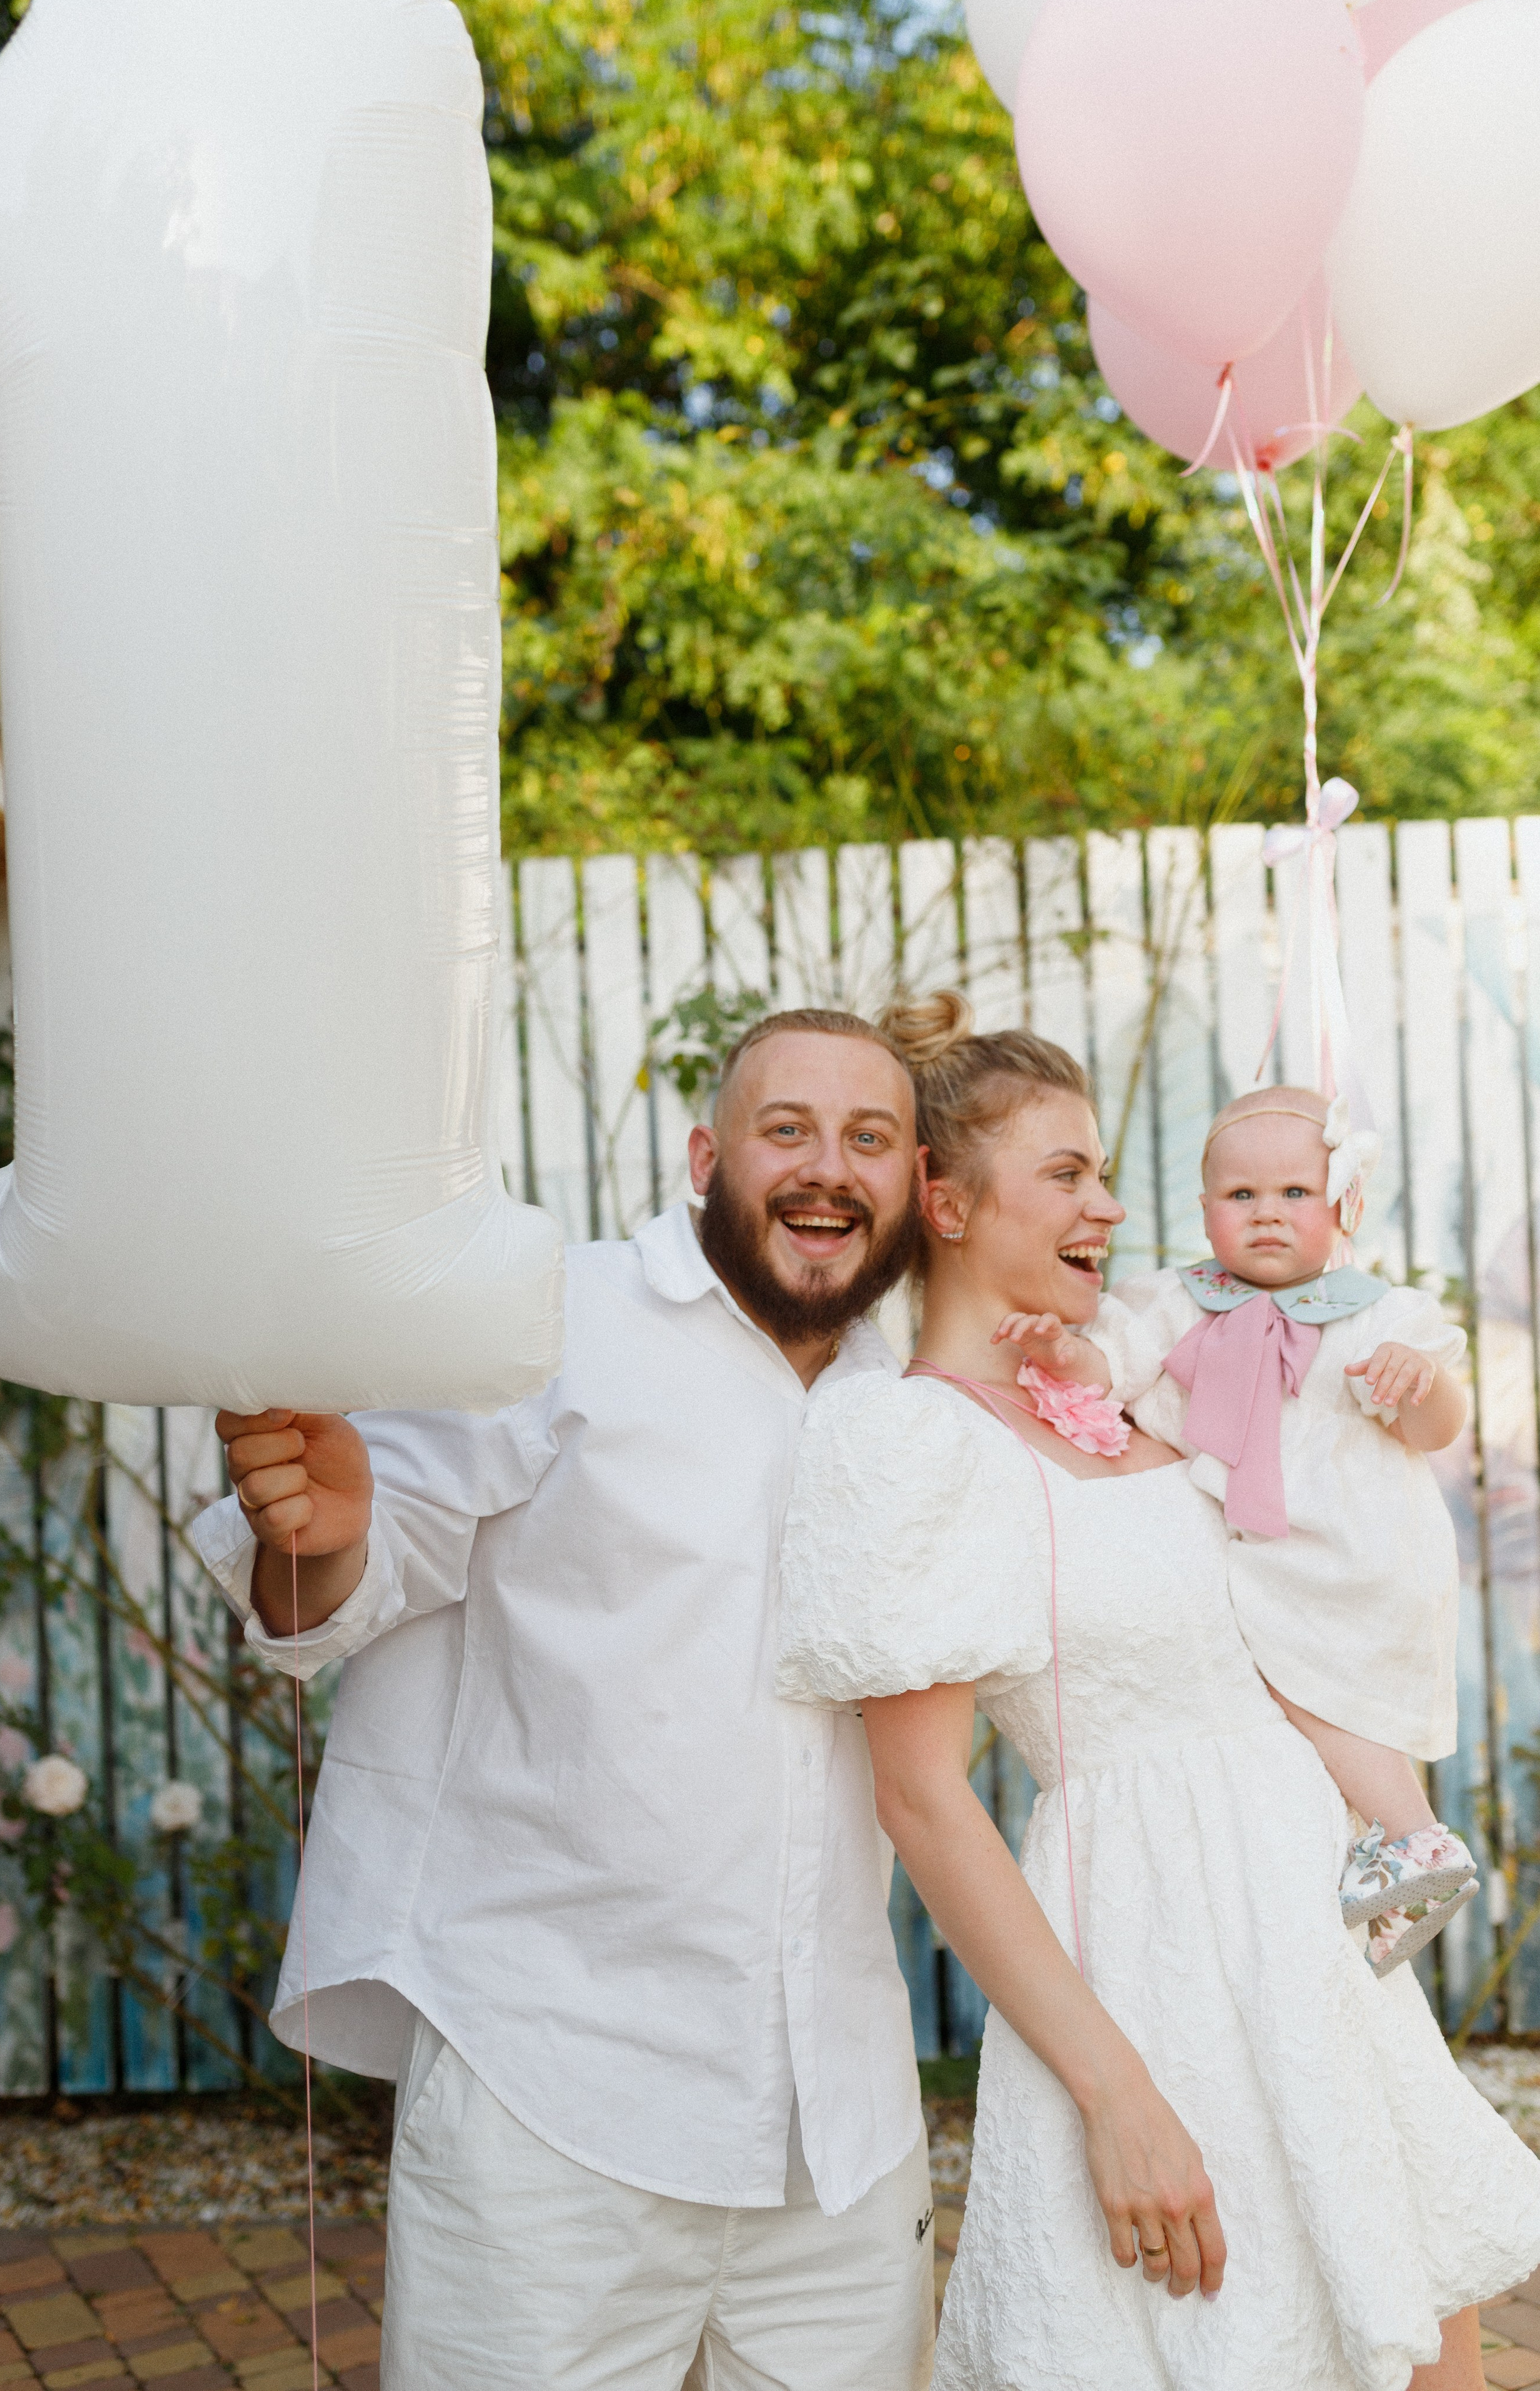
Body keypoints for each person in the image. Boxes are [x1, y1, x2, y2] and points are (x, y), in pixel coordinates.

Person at [776, 992, 1540, 2391]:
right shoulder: (905, 1439)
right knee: (1221, 2340)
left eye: (1107, 1175)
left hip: (1300, 1915)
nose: (1110, 1208)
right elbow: (923, 1802)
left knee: (1428, 2335)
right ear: (942, 1203)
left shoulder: (1110, 1388)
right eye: (1066, 1173)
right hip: (1152, 1938)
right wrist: (1114, 2091)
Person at [190, 1009, 939, 2391]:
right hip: (550, 2081)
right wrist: (329, 1524)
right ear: (706, 1157)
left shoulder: (917, 1388)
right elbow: (333, 1571)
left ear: (912, 1182)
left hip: (834, 2111)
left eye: (867, 1138)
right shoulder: (559, 1318)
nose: (826, 1168)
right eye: (787, 1132)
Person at [995, 1082, 1476, 1978]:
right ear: (1205, 1208)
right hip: (1255, 1556)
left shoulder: (1378, 1315)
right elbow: (1113, 1367)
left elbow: (1435, 1427)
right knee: (1277, 1699)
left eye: (1296, 1194)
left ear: (1342, 1204)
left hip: (1353, 1559)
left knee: (1313, 1688)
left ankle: (1415, 1840)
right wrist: (1064, 1353)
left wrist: (1424, 1380)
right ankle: (1387, 1847)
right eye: (1241, 1196)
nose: (1267, 1215)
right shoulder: (1174, 1302)